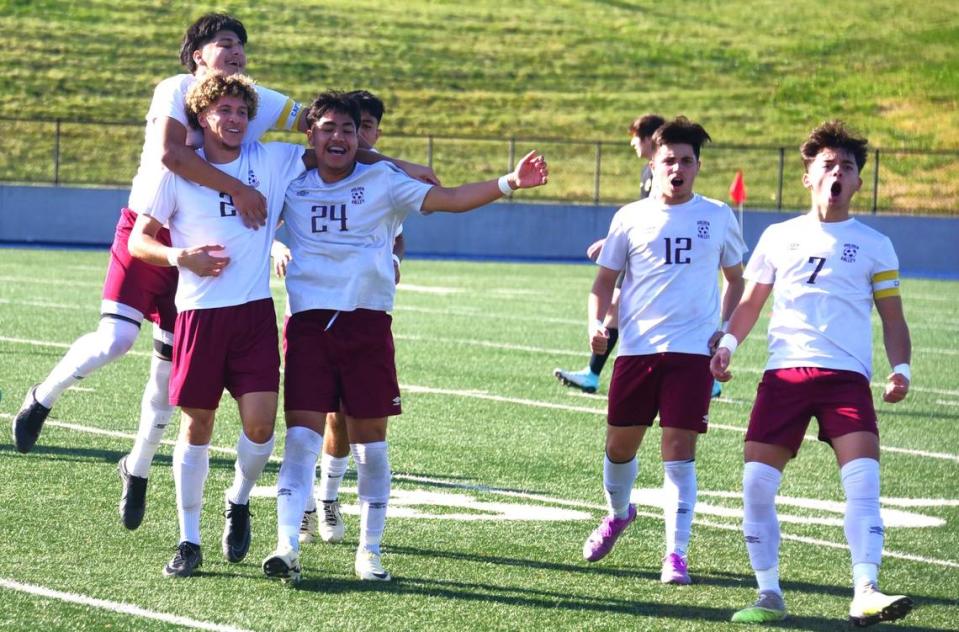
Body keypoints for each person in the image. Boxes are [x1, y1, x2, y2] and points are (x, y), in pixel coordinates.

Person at [11, 14, 306, 532]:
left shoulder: (247, 99)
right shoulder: (177, 89)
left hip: (201, 243)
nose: (236, 52)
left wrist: (386, 162)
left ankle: (139, 467)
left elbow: (323, 126)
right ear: (197, 54)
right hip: (150, 226)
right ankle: (43, 396)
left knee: (168, 375)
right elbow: (171, 154)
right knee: (116, 339)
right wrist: (237, 189)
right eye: (224, 43)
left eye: (241, 45)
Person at [261, 91, 548, 584]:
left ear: (361, 138)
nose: (339, 137)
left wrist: (510, 182)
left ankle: (369, 553)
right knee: (301, 440)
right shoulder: (288, 176)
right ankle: (286, 545)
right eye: (327, 127)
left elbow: (453, 199)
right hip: (308, 326)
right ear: (309, 133)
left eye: (349, 130)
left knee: (372, 448)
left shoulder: (383, 181)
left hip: (367, 326)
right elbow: (249, 213)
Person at [711, 121, 913, 626]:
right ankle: (768, 593)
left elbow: (893, 316)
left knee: (864, 482)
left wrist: (901, 369)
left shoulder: (875, 244)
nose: (837, 173)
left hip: (846, 379)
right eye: (827, 165)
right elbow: (752, 302)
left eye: (846, 166)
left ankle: (865, 589)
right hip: (784, 376)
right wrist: (728, 345)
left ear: (859, 181)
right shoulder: (779, 236)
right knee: (756, 484)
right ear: (808, 177)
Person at [127, 72, 310, 578]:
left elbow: (335, 153)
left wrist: (404, 168)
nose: (234, 120)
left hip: (253, 314)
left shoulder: (269, 159)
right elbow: (138, 242)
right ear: (202, 117)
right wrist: (179, 255)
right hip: (199, 318)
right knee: (197, 425)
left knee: (259, 426)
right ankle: (188, 540)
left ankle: (239, 497)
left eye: (241, 112)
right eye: (223, 111)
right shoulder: (178, 173)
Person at [579, 117, 746, 586]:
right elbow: (603, 283)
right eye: (669, 159)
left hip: (692, 355)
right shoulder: (629, 217)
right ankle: (618, 513)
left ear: (698, 166)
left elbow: (736, 279)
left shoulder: (717, 216)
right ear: (653, 163)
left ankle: (675, 555)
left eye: (686, 160)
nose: (678, 168)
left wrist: (724, 330)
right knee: (618, 448)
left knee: (679, 454)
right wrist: (596, 327)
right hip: (636, 352)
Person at [292, 89, 403, 546]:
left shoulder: (382, 178)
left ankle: (334, 504)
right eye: (360, 128)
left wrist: (395, 262)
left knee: (359, 422)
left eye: (366, 129)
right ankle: (312, 502)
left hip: (365, 311)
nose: (363, 138)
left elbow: (397, 233)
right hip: (315, 312)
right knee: (322, 420)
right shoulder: (304, 175)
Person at [553, 114, 666, 394]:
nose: (631, 143)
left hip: (655, 254)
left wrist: (613, 239)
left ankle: (707, 373)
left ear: (650, 139)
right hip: (640, 249)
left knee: (667, 310)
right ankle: (592, 373)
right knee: (614, 308)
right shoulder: (647, 172)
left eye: (635, 136)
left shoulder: (663, 171)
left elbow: (660, 215)